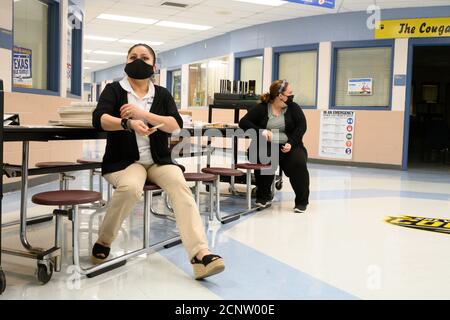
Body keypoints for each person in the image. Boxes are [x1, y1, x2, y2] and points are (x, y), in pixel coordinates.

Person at [92, 43, 225, 280]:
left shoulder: (162, 94)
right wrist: (127, 123)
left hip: (159, 162)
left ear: (154, 65)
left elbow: (175, 125)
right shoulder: (114, 90)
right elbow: (99, 119)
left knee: (180, 186)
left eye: (144, 57)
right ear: (126, 62)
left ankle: (200, 254)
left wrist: (141, 114)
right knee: (131, 188)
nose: (138, 61)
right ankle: (105, 239)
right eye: (133, 57)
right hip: (125, 162)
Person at [239, 79, 310, 213]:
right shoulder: (262, 108)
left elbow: (302, 126)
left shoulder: (293, 107)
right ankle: (263, 197)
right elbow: (243, 122)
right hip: (267, 145)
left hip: (290, 146)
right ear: (280, 95)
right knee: (265, 157)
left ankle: (301, 201)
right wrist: (262, 131)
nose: (292, 96)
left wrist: (291, 143)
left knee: (298, 162)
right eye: (289, 93)